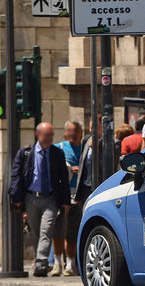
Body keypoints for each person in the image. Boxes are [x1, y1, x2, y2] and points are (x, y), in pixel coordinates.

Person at [9, 123, 71, 277]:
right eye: (47, 134)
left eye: (51, 134)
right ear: (38, 135)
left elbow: (63, 178)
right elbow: (16, 175)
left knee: (46, 230)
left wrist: (65, 201)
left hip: (50, 198)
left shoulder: (57, 153)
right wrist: (16, 198)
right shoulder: (25, 153)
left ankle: (42, 262)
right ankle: (39, 261)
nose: (50, 138)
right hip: (30, 197)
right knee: (36, 232)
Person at [50, 120, 83, 276]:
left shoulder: (85, 149)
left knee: (72, 231)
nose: (73, 133)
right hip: (62, 194)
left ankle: (70, 264)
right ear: (65, 132)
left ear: (81, 132)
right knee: (58, 230)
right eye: (70, 130)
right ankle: (57, 263)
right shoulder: (58, 148)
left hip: (78, 194)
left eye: (76, 130)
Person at [75, 114, 102, 206]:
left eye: (95, 128)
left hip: (100, 188)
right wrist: (78, 194)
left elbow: (109, 167)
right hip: (86, 188)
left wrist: (97, 151)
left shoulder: (111, 142)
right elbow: (82, 166)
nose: (92, 131)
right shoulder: (86, 140)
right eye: (91, 128)